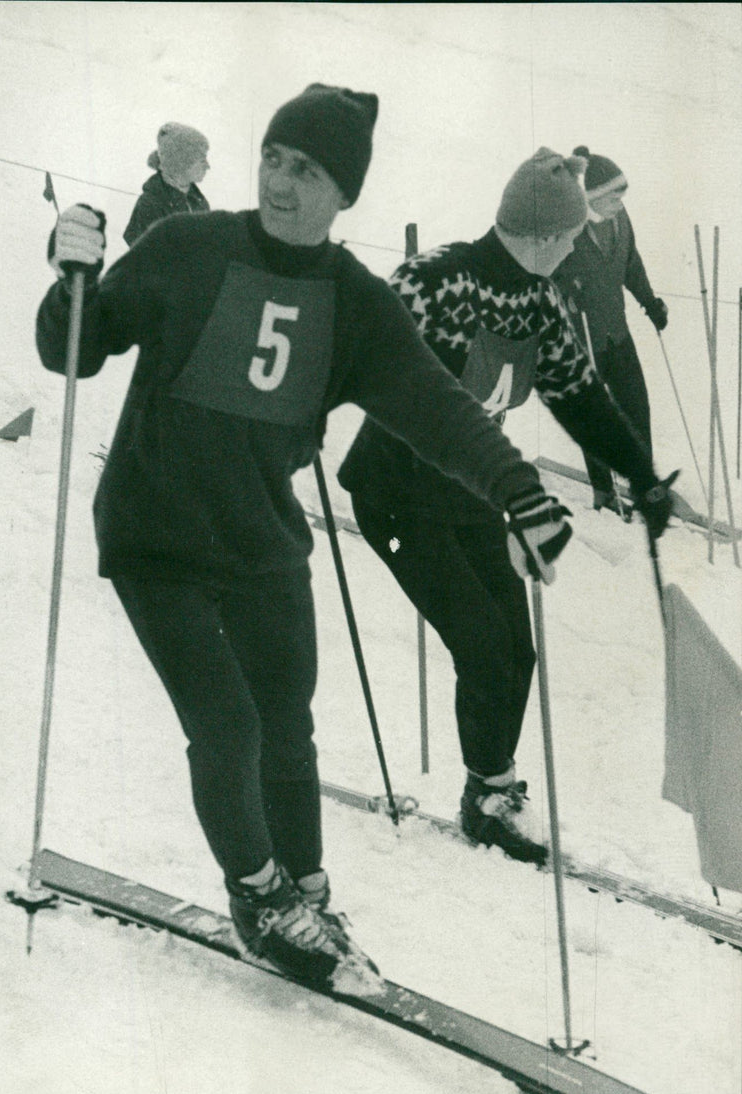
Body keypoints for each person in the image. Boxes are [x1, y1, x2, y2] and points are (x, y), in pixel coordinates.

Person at [36, 85, 577, 987]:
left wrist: (520, 492)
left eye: (309, 170)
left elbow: (438, 410)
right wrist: (71, 277)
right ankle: (258, 894)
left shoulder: (356, 303)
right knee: (229, 723)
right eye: (275, 160)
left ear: (344, 194)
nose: (283, 183)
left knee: (289, 723)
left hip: (262, 540)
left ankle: (307, 890)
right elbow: (76, 347)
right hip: (155, 533)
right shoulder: (185, 246)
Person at [338, 148, 676, 866]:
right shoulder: (439, 281)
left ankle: (491, 785)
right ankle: (487, 797)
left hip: (469, 487)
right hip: (395, 492)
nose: (574, 248)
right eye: (573, 236)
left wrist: (642, 475)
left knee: (514, 648)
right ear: (551, 237)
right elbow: (353, 346)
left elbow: (580, 396)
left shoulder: (539, 301)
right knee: (485, 647)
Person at [553, 146, 669, 516]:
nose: (620, 203)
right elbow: (546, 271)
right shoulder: (570, 226)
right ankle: (603, 491)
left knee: (637, 409)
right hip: (583, 338)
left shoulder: (621, 221)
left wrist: (650, 302)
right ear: (594, 199)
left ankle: (644, 485)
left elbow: (631, 265)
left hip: (616, 333)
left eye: (622, 197)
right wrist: (564, 293)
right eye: (614, 198)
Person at [123, 121, 210, 246]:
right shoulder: (150, 205)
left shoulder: (198, 201)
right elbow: (144, 259)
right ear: (182, 163)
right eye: (201, 160)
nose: (208, 166)